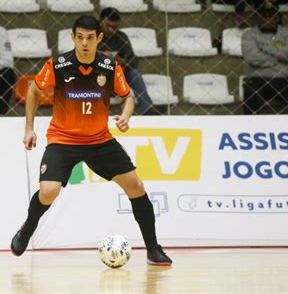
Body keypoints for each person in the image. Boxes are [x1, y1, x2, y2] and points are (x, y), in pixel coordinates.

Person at [10, 15, 172, 266]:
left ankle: (153, 249)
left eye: (90, 38)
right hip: (63, 139)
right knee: (48, 191)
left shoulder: (109, 66)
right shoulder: (59, 65)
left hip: (100, 140)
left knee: (136, 187)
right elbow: (33, 89)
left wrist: (126, 116)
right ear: (73, 37)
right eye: (80, 37)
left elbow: (129, 97)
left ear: (99, 38)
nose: (85, 43)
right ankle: (28, 227)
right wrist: (29, 128)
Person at [241, 1, 288, 114]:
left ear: (277, 16)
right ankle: (250, 127)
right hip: (257, 79)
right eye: (264, 15)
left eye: (271, 15)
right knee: (251, 95)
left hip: (285, 79)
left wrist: (264, 48)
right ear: (258, 16)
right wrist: (278, 58)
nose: (267, 18)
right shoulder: (248, 34)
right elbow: (252, 58)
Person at [98, 7, 165, 115]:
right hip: (98, 75)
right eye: (108, 26)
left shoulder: (121, 37)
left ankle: (146, 109)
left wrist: (121, 61)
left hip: (118, 73)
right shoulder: (90, 36)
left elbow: (133, 61)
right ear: (101, 22)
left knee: (134, 74)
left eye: (115, 27)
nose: (111, 30)